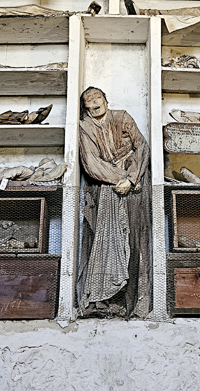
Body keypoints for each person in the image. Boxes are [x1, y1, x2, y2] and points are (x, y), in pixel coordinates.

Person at [77, 87, 151, 318]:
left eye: (97, 98)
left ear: (106, 100)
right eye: (89, 100)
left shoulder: (122, 117)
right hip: (105, 187)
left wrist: (132, 178)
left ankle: (134, 302)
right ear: (85, 107)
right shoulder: (85, 127)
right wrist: (121, 178)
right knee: (104, 240)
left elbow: (142, 146)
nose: (94, 103)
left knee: (134, 240)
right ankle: (103, 298)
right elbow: (91, 163)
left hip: (134, 188)